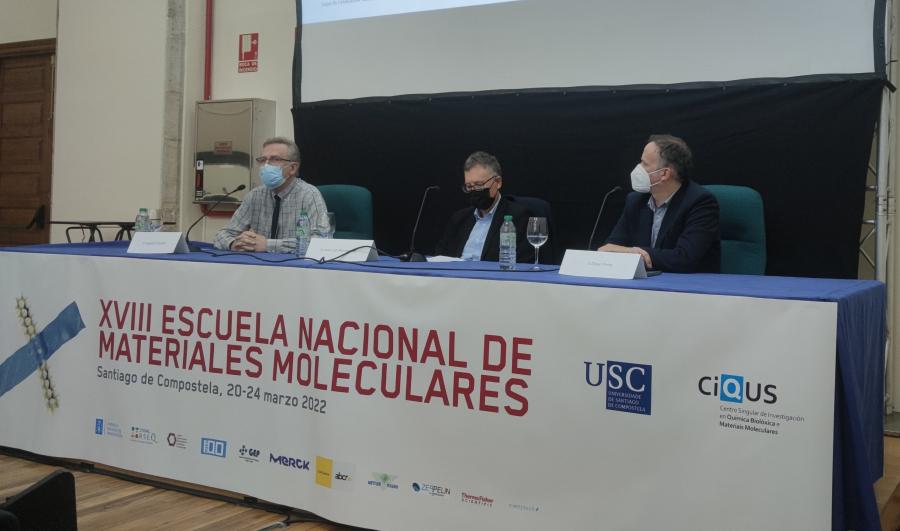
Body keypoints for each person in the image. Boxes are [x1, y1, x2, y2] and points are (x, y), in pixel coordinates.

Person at [600, 134, 720, 273]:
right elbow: (609, 249)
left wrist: (636, 254)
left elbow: (684, 258)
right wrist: (631, 252)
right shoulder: (635, 201)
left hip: (688, 288)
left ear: (664, 174)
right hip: (641, 287)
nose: (637, 168)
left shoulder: (700, 202)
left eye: (644, 164)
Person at [213, 137, 329, 253]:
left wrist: (268, 245)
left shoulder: (309, 195)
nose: (266, 165)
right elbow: (223, 235)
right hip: (257, 267)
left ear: (293, 168)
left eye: (275, 159)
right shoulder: (255, 195)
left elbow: (322, 241)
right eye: (263, 160)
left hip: (295, 268)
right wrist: (235, 243)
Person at [435, 151, 534, 262]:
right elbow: (440, 256)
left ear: (498, 182)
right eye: (469, 186)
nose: (474, 191)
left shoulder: (518, 217)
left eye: (479, 185)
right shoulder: (459, 219)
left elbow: (524, 262)